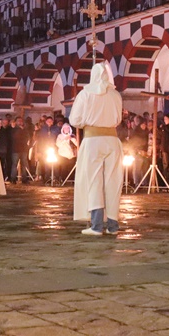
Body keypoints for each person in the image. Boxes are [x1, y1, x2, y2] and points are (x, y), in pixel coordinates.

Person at [69, 62, 124, 236]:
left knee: (94, 181)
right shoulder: (115, 95)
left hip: (93, 141)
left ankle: (96, 225)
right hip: (112, 140)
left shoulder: (85, 94)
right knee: (113, 182)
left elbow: (74, 120)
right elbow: (118, 119)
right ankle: (113, 225)